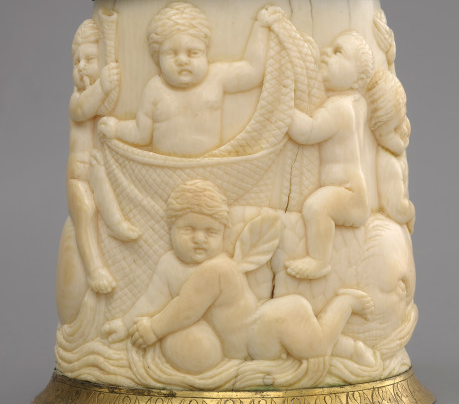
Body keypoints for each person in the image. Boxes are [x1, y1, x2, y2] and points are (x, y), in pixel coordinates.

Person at [103, 180, 375, 373]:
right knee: (307, 341)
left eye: (210, 232)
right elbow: (153, 298)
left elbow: (187, 309)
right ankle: (350, 349)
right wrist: (126, 324)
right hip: (255, 339)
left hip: (263, 329)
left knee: (317, 346)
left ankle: (345, 303)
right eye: (189, 229)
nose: (199, 239)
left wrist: (153, 329)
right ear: (171, 228)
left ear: (223, 233)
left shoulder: (217, 269)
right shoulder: (168, 264)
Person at [99, 2, 272, 157]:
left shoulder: (216, 77)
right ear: (157, 58)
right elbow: (141, 134)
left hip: (211, 163)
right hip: (164, 167)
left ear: (206, 53)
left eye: (193, 53)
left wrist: (261, 27)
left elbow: (253, 71)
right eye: (171, 53)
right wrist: (116, 129)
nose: (182, 60)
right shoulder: (155, 89)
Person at [285, 31, 374, 280]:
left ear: (357, 79)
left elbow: (308, 132)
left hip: (348, 194)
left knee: (316, 206)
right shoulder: (356, 103)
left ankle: (319, 261)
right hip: (353, 191)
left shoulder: (340, 108)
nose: (326, 53)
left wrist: (286, 110)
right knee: (318, 204)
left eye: (338, 52)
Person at [67, 19, 139, 294]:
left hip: (95, 166)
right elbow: (82, 111)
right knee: (86, 211)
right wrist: (103, 86)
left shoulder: (98, 97)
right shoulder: (78, 98)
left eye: (89, 59)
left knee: (107, 195)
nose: (81, 66)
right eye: (76, 62)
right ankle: (95, 269)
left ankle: (116, 224)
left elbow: (106, 107)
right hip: (77, 174)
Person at [366, 70, 415, 232]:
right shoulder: (389, 163)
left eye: (404, 118)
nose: (404, 130)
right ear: (376, 131)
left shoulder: (395, 153)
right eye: (394, 129)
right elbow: (396, 209)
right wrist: (410, 212)